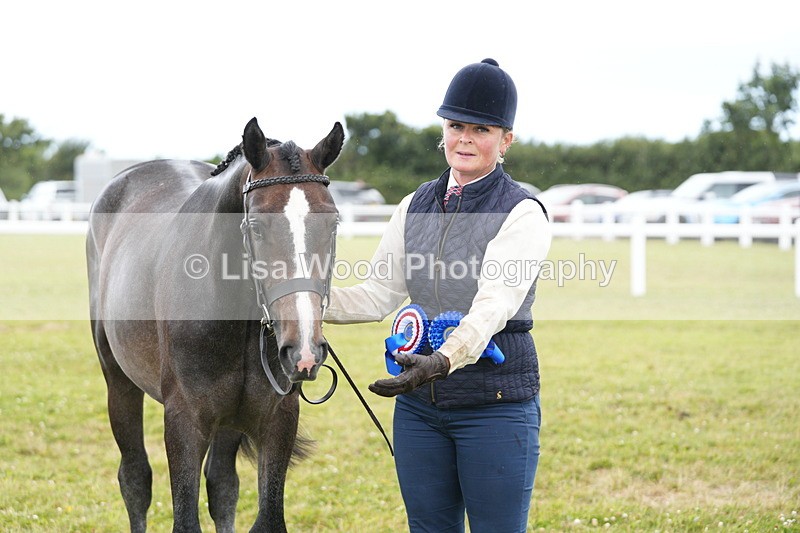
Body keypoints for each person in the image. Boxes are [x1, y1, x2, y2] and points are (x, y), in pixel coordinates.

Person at [325, 58, 552, 532]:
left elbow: (493, 306)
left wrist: (443, 360)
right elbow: (376, 293)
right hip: (419, 408)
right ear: (443, 131)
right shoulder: (413, 205)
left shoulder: (522, 212)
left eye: (481, 129)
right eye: (455, 126)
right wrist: (300, 302)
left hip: (495, 404)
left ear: (506, 139)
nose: (465, 138)